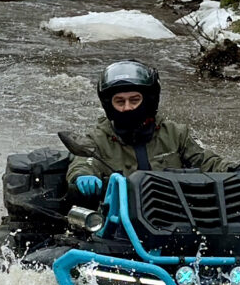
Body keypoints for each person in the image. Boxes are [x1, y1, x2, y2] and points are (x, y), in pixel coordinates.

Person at [66, 60, 231, 196]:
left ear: (149, 101)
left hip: (175, 210)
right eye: (120, 101)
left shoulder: (176, 133)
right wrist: (82, 176)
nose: (127, 107)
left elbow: (207, 162)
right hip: (120, 215)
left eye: (134, 100)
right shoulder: (97, 139)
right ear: (109, 105)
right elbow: (82, 163)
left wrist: (236, 171)